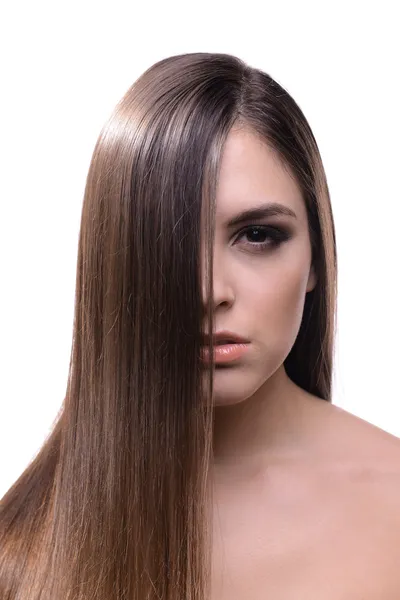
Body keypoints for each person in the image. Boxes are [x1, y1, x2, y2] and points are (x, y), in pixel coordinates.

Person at [1, 51, 399, 600]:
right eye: (165, 241)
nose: (209, 292)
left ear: (315, 261)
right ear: (113, 263)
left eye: (257, 235)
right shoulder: (22, 547)